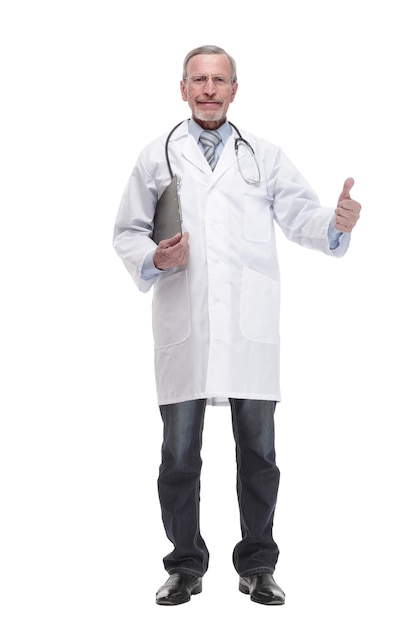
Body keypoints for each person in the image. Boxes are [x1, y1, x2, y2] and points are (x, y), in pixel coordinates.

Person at [113, 44, 361, 606]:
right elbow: (127, 231)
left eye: (218, 80)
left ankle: (258, 565)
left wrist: (336, 223)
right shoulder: (158, 157)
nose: (207, 89)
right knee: (178, 456)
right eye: (197, 80)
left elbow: (303, 217)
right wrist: (156, 259)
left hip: (249, 332)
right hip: (185, 327)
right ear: (182, 89)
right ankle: (184, 565)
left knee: (260, 456)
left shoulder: (263, 156)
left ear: (233, 89)